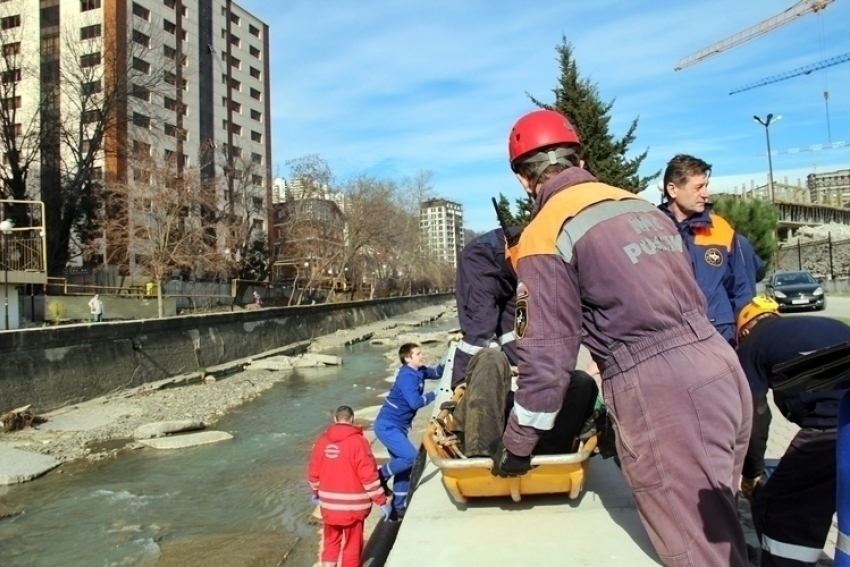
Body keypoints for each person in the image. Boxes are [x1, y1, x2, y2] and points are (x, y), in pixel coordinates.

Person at [491, 109, 752, 566]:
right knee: (723, 531)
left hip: (665, 393)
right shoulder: (634, 205)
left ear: (522, 179)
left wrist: (516, 445)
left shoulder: (544, 231)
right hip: (722, 367)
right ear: (579, 157)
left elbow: (547, 363)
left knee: (696, 552)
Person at [451, 229, 599, 456]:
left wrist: (530, 372)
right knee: (481, 329)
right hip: (491, 257)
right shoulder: (554, 247)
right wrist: (461, 385)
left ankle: (524, 376)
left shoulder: (562, 256)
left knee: (518, 329)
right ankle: (463, 382)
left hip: (519, 264)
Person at [736, 299, 848, 567]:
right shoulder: (827, 325)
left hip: (829, 429)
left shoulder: (752, 345)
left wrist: (752, 472)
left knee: (782, 509)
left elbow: (754, 413)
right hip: (844, 420)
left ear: (745, 330)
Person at [658, 154, 754, 345]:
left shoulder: (721, 229)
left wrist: (745, 329)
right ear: (673, 189)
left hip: (721, 336)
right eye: (698, 188)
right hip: (672, 339)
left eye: (706, 186)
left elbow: (743, 289)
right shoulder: (650, 230)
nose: (706, 194)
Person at [307, 405, 391, 567]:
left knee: (331, 543)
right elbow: (368, 476)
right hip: (353, 507)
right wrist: (380, 500)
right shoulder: (359, 442)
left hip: (329, 506)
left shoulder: (321, 441)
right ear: (352, 420)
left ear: (335, 420)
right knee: (352, 546)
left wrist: (315, 491)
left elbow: (313, 472)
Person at [374, 343, 443, 518]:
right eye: (418, 354)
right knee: (411, 457)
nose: (422, 356)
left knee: (404, 468)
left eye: (421, 353)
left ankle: (398, 507)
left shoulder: (419, 371)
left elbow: (436, 373)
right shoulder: (407, 376)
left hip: (400, 427)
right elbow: (415, 403)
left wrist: (451, 356)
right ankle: (379, 476)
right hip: (388, 426)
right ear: (407, 359)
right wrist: (435, 394)